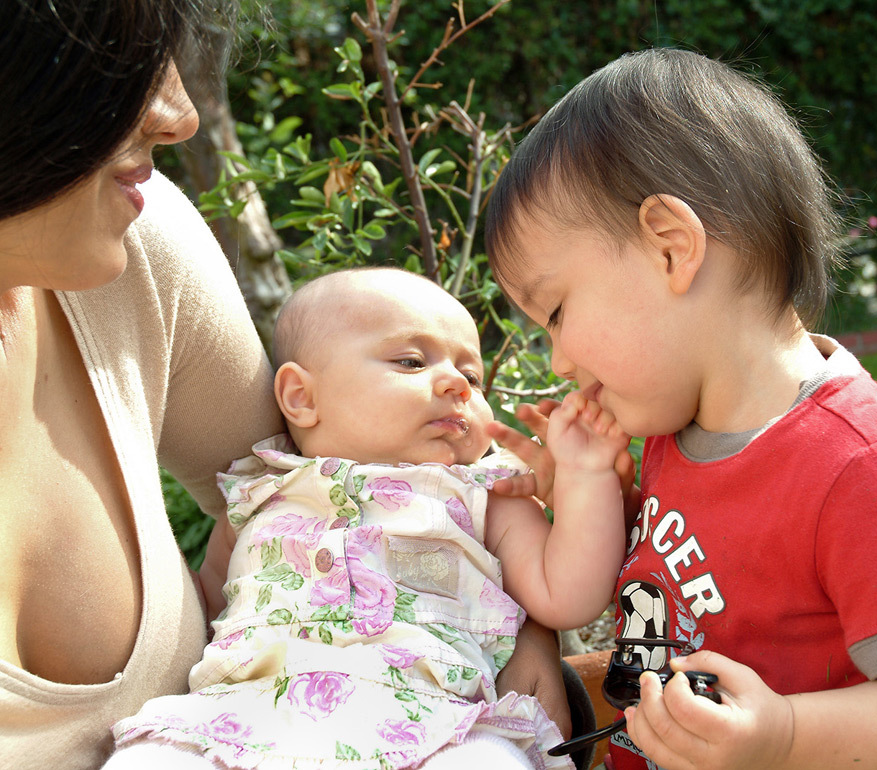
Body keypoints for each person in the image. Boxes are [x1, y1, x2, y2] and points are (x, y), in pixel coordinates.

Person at [0, 3, 574, 767]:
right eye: (114, 60)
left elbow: (283, 504)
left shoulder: (129, 235)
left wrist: (509, 607)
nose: (180, 115)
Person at [483, 48, 877, 770]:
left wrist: (788, 736)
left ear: (671, 248)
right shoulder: (681, 433)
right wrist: (587, 495)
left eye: (555, 312)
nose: (559, 361)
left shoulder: (861, 467)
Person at [105, 267, 628, 769]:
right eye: (410, 362)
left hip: (437, 725)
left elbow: (570, 595)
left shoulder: (487, 497)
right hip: (242, 720)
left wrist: (586, 478)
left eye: (472, 374)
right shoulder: (258, 494)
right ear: (300, 397)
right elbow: (204, 610)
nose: (457, 384)